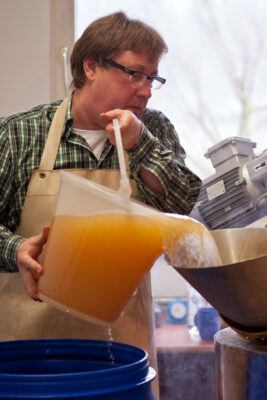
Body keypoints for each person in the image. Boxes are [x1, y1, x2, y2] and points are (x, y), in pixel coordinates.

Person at [0, 11, 202, 398]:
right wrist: (15, 249)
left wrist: (138, 143)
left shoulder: (154, 130)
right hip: (28, 361)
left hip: (123, 353)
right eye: (135, 74)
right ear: (91, 66)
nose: (145, 90)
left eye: (152, 78)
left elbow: (182, 204)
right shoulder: (18, 134)